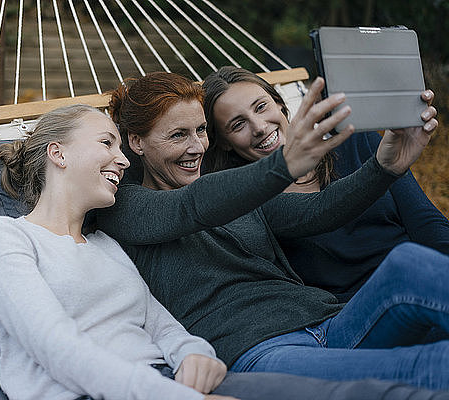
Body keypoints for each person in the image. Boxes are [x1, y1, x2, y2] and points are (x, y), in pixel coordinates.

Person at [0, 104, 435, 400]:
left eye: (201, 131)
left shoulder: (104, 244)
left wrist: (192, 354)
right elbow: (56, 347)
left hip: (218, 362)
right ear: (58, 154)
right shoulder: (21, 234)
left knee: (408, 272)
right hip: (195, 371)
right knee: (412, 376)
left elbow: (160, 325)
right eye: (107, 144)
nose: (120, 163)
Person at [96, 71, 449, 390]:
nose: (196, 147)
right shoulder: (122, 206)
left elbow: (318, 211)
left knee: (410, 263)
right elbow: (191, 207)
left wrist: (384, 167)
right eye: (178, 135)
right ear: (137, 143)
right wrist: (284, 164)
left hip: (330, 323)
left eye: (201, 130)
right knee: (430, 365)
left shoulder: (232, 192)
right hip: (262, 352)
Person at [201, 66, 449, 303]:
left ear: (280, 104)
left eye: (261, 107)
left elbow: (425, 222)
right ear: (224, 143)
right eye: (238, 125)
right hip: (358, 313)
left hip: (426, 279)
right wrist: (382, 169)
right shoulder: (245, 203)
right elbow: (321, 209)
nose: (259, 127)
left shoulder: (356, 141)